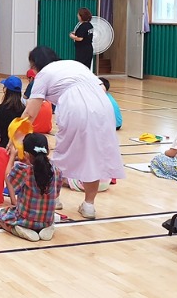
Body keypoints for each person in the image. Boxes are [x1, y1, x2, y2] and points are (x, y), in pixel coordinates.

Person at [24, 46, 124, 219]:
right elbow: (102, 88)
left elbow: (30, 113)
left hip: (74, 107)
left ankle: (54, 199)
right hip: (103, 107)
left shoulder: (44, 74)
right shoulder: (75, 65)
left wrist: (16, 135)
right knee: (94, 156)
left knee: (62, 153)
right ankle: (89, 206)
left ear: (34, 65)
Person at [0, 134, 62, 242]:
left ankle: (18, 229)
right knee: (47, 217)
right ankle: (47, 228)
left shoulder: (24, 170)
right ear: (48, 151)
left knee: (2, 215)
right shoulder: (56, 171)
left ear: (26, 154)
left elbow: (9, 180)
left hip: (26, 220)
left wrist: (12, 156)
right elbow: (56, 194)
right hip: (46, 220)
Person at [0, 76, 25, 147]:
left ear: (6, 90)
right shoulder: (24, 110)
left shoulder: (0, 109)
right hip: (20, 146)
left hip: (2, 146)